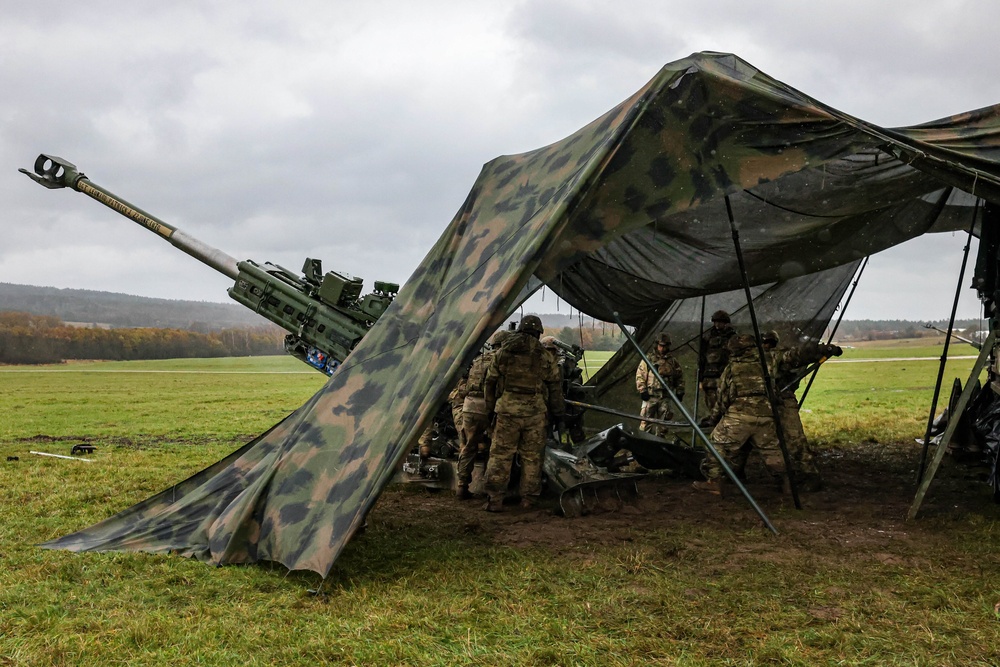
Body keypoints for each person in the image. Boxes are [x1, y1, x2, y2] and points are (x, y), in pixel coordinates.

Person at [482, 315, 564, 512]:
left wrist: (490, 408)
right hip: (535, 413)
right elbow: (554, 386)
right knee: (532, 457)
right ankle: (528, 499)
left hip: (507, 410)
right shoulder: (544, 355)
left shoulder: (504, 351)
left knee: (500, 456)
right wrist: (558, 413)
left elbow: (490, 381)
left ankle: (495, 500)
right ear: (538, 332)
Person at [694, 333, 782, 495]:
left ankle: (715, 482)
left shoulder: (732, 369)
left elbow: (723, 398)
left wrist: (713, 418)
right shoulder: (768, 362)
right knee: (772, 451)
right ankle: (786, 483)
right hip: (766, 413)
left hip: (739, 415)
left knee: (715, 444)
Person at [762, 330, 842, 491]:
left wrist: (823, 350)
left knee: (794, 439)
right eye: (764, 342)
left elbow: (800, 354)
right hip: (761, 402)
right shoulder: (754, 358)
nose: (766, 345)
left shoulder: (778, 356)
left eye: (768, 342)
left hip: (782, 400)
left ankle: (810, 476)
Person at [455, 329, 511, 500]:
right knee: (495, 449)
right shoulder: (502, 360)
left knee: (468, 446)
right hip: (490, 406)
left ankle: (462, 486)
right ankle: (490, 490)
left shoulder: (478, 360)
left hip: (470, 406)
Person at [635, 332, 685, 437]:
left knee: (663, 425)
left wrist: (680, 391)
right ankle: (643, 444)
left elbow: (679, 377)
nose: (662, 348)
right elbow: (640, 374)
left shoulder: (672, 361)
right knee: (645, 423)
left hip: (665, 397)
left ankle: (659, 444)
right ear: (657, 345)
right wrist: (642, 390)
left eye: (665, 346)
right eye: (661, 345)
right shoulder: (648, 359)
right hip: (650, 396)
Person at [699, 310, 737, 412]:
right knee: (712, 406)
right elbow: (702, 358)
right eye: (715, 322)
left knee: (726, 404)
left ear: (725, 323)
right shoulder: (707, 337)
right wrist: (700, 379)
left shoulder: (732, 337)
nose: (717, 324)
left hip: (725, 376)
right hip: (710, 378)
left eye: (720, 322)